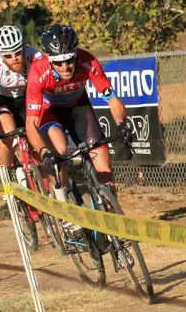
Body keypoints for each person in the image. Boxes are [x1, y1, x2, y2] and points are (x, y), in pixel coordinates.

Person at [24, 24, 132, 232]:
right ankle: (64, 210)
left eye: (68, 60)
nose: (65, 67)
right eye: (58, 62)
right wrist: (44, 152)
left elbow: (113, 100)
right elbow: (31, 124)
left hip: (78, 108)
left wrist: (121, 124)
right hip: (50, 112)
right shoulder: (38, 72)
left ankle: (112, 223)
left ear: (75, 54)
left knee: (105, 169)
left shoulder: (87, 61)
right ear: (49, 60)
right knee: (60, 153)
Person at [0, 25, 41, 168]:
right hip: (1, 98)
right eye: (8, 55)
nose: (15, 59)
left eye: (18, 52)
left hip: (27, 97)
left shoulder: (36, 58)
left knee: (37, 141)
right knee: (7, 133)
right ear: (1, 54)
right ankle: (6, 175)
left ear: (24, 47)